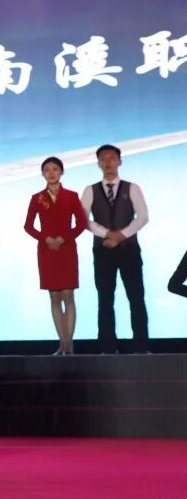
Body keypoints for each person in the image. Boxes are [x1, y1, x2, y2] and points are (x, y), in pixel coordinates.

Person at [79, 144, 150, 354]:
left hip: (129, 250)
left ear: (120, 161)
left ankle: (142, 347)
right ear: (98, 164)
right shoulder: (90, 190)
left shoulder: (132, 188)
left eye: (112, 158)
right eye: (103, 159)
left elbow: (143, 217)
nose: (108, 162)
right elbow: (83, 220)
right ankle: (108, 347)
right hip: (103, 251)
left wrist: (121, 235)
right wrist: (107, 234)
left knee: (136, 298)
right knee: (105, 299)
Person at [24, 157, 88, 355]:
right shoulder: (37, 198)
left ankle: (69, 344)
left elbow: (81, 223)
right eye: (47, 170)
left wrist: (63, 238)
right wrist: (45, 238)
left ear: (61, 172)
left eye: (55, 169)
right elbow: (28, 226)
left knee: (68, 296)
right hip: (47, 252)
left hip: (66, 250)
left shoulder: (71, 196)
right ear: (42, 174)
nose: (51, 173)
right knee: (54, 298)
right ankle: (62, 343)